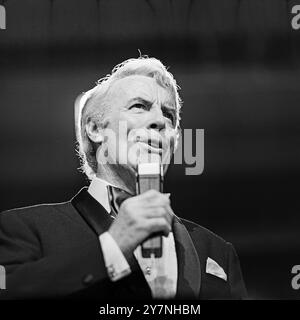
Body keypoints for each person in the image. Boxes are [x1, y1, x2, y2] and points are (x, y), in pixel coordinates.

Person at [0, 56, 247, 300]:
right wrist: (112, 248)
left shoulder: (216, 251)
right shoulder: (24, 229)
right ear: (95, 129)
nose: (160, 121)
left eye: (169, 115)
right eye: (139, 106)